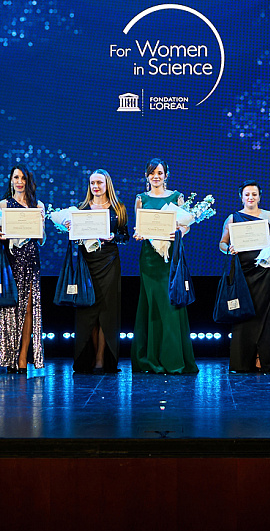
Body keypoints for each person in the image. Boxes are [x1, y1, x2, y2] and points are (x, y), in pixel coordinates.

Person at [131, 157, 197, 375]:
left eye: (160, 173)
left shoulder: (177, 197)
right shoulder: (141, 199)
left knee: (171, 305)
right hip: (149, 260)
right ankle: (151, 358)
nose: (156, 177)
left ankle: (173, 358)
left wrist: (179, 232)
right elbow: (138, 227)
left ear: (166, 175)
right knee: (152, 305)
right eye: (152, 173)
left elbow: (185, 226)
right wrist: (139, 234)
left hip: (171, 258)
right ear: (147, 176)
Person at [219, 182, 270, 373]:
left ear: (259, 196)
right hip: (242, 272)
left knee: (264, 314)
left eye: (254, 194)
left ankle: (263, 359)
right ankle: (243, 361)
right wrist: (229, 249)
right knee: (243, 314)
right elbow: (222, 244)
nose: (250, 198)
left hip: (264, 270)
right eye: (247, 194)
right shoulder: (233, 218)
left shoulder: (269, 216)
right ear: (241, 197)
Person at [67, 169, 128, 374]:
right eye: (92, 183)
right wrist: (70, 228)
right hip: (87, 263)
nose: (95, 186)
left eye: (99, 183)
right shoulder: (81, 208)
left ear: (107, 184)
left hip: (109, 262)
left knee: (106, 312)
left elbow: (124, 236)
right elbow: (76, 237)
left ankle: (102, 359)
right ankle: (90, 357)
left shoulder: (118, 208)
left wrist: (113, 237)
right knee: (88, 312)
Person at [0, 163, 46, 373]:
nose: (20, 182)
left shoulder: (37, 205)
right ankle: (8, 356)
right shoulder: (4, 204)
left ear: (28, 181)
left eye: (23, 178)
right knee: (9, 308)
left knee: (28, 309)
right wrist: (0, 233)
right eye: (16, 177)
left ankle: (22, 357)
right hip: (10, 260)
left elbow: (41, 239)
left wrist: (40, 223)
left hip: (30, 259)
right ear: (11, 180)